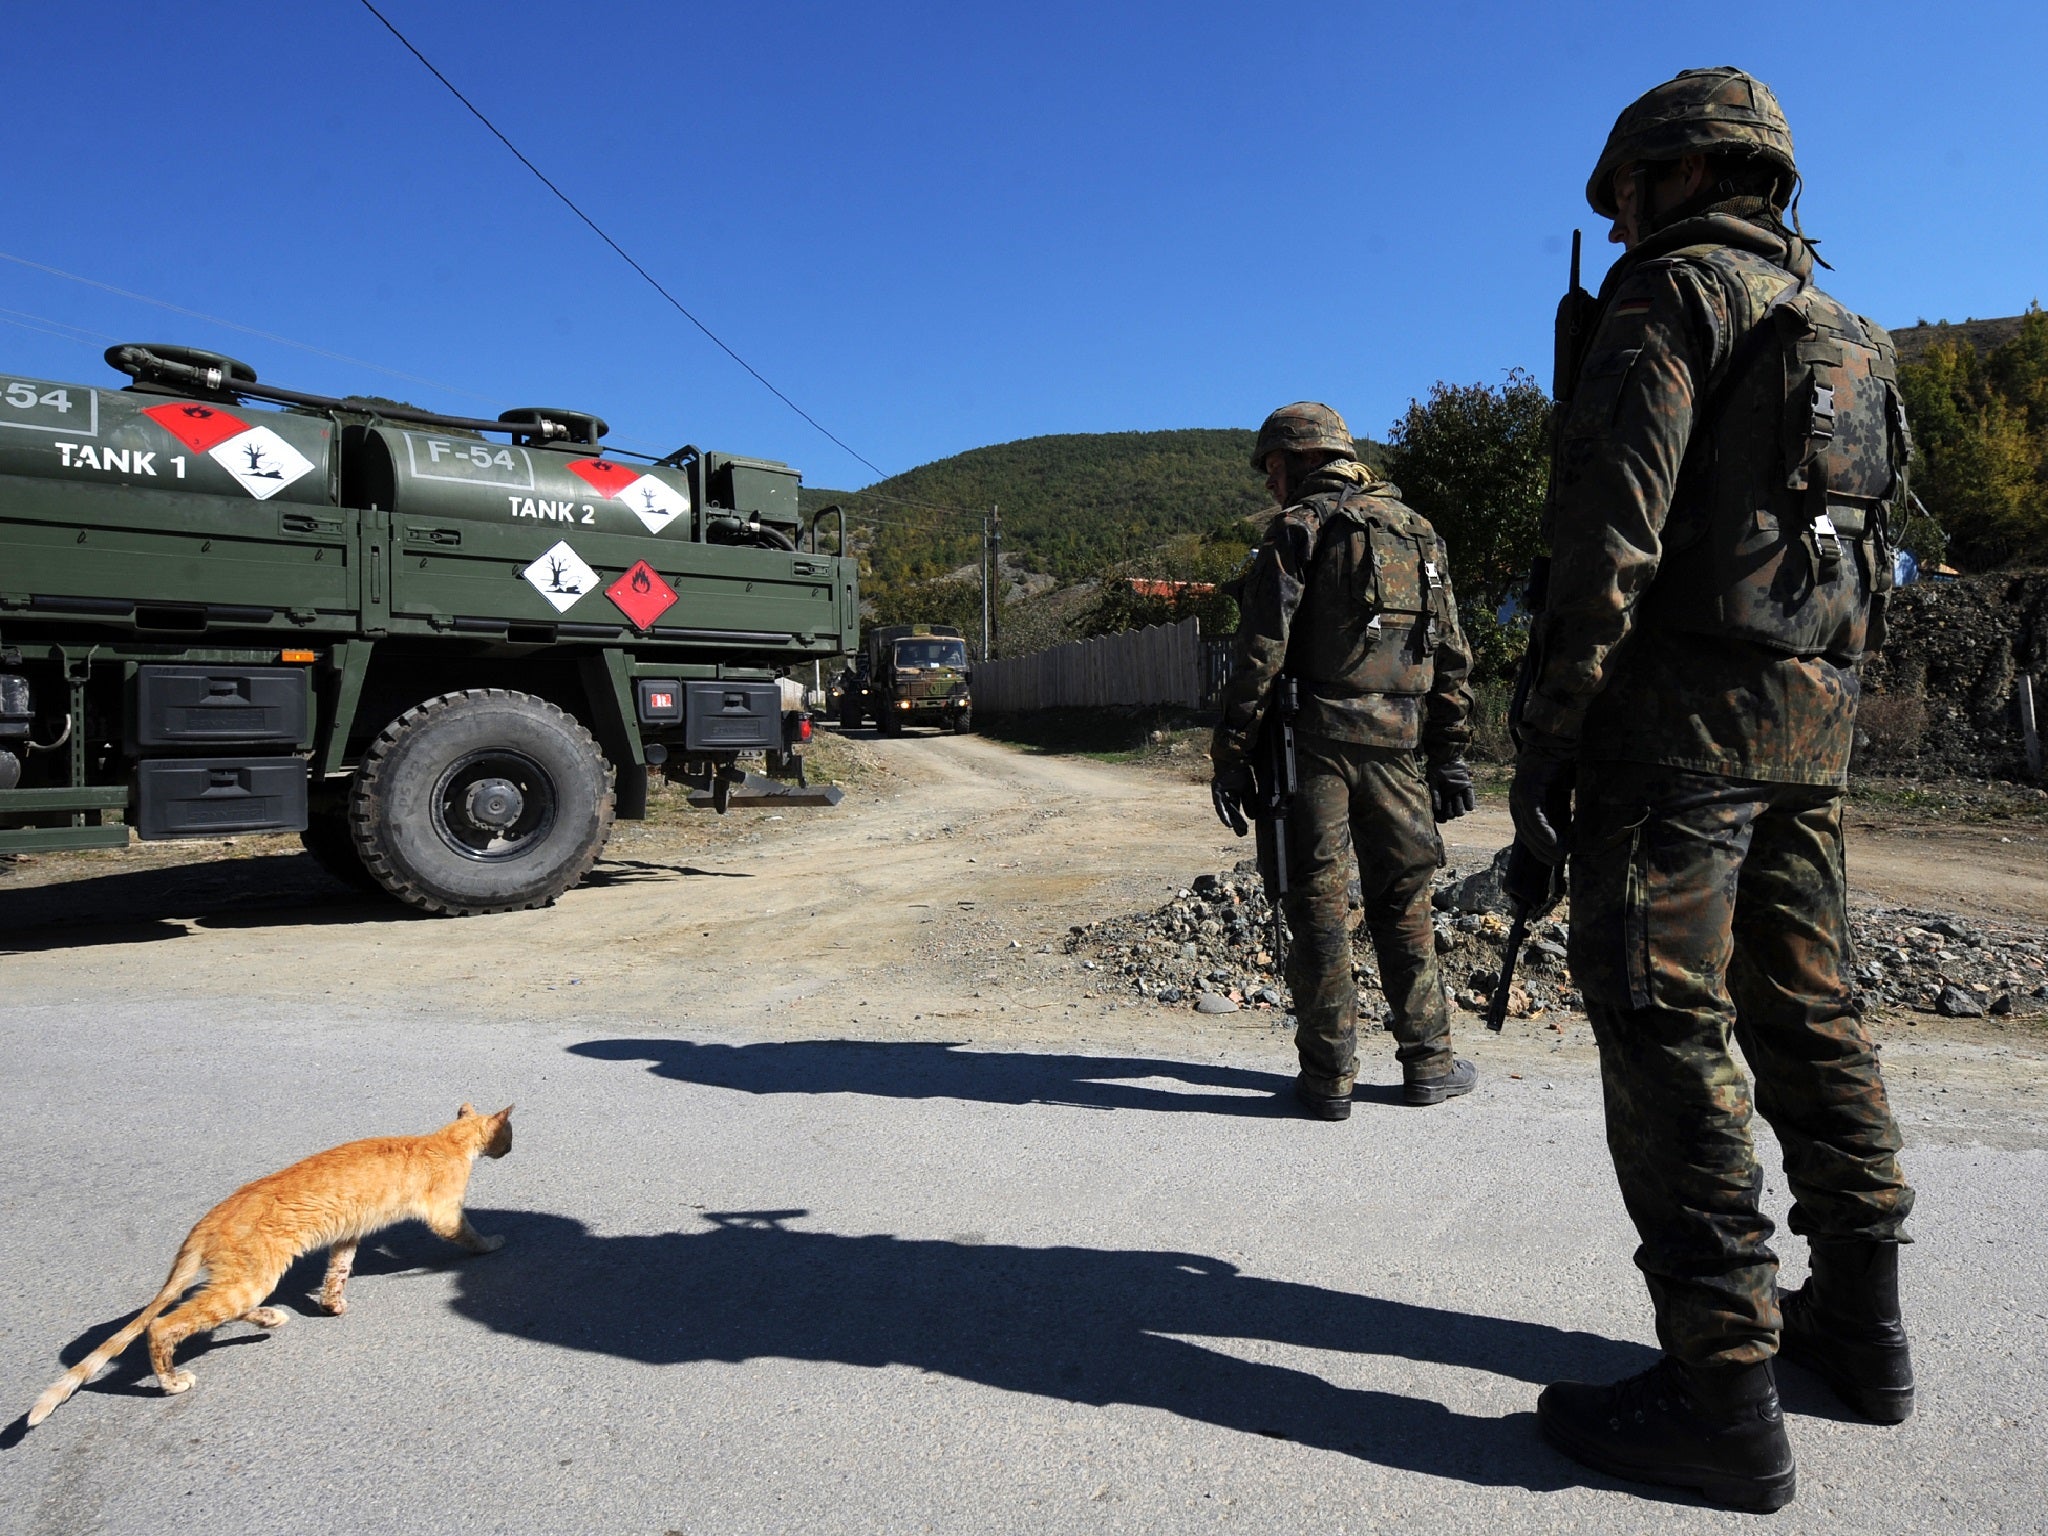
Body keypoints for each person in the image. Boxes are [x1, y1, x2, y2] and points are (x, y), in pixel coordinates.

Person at [1508, 67, 1916, 1511]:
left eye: (1625, 195)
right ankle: (1860, 1332)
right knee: (1811, 1010)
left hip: (1677, 734)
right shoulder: (1844, 325)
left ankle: (1719, 1393)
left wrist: (1550, 733)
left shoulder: (1674, 297)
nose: (1617, 222)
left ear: (1674, 176)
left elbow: (1610, 531)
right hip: (1811, 726)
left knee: (1665, 1025)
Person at [1211, 402, 1478, 1121]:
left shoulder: (1297, 531)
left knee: (1321, 908)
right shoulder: (1417, 531)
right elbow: (1451, 655)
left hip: (1312, 747)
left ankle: (1329, 1079)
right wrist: (1451, 756)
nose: (1269, 483)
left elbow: (1259, 656)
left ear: (1298, 459)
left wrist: (1231, 755)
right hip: (1401, 750)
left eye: (1271, 466)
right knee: (1404, 904)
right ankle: (1430, 1063)